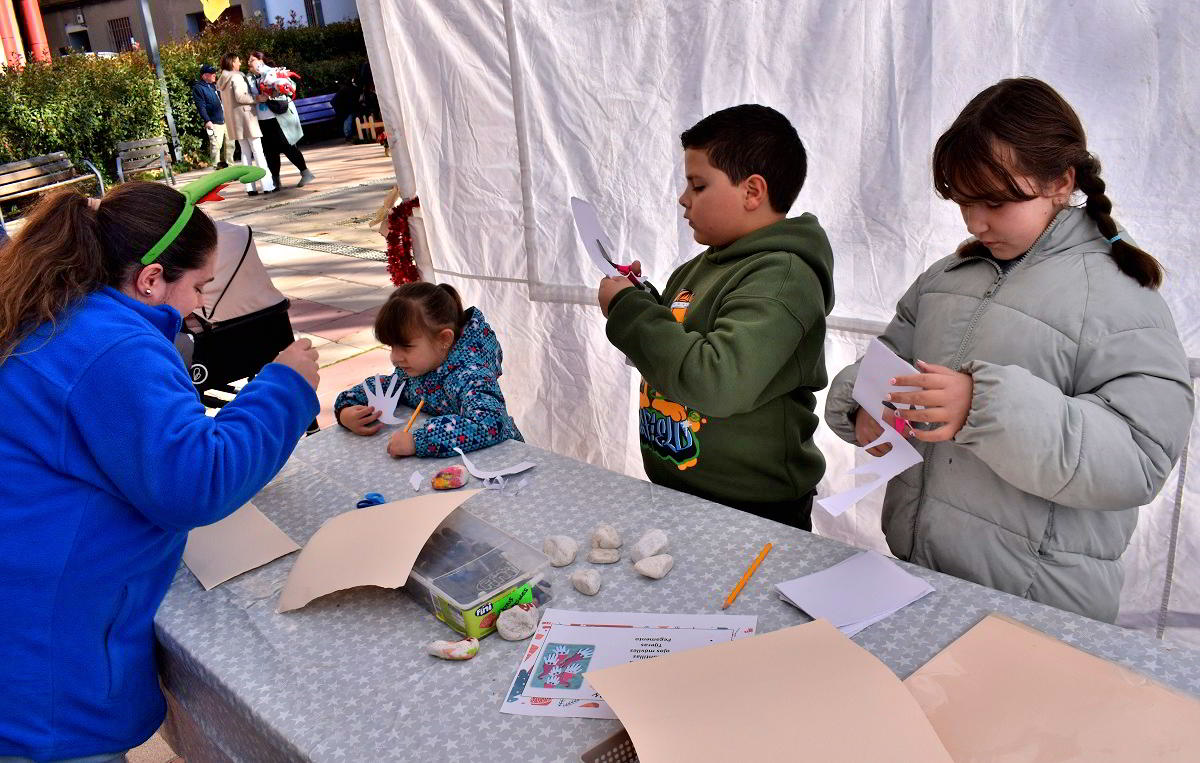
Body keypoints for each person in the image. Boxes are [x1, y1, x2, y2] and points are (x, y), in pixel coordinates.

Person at [824, 77, 1194, 623]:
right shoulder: (947, 278)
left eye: (995, 201)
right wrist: (863, 409)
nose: (975, 222)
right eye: (963, 201)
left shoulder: (1118, 297)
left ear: (1061, 182)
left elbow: (1141, 458)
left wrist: (983, 406)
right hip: (922, 576)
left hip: (1039, 608)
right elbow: (889, 360)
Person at [0, 175, 320, 760]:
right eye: (200, 285)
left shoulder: (64, 315)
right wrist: (287, 386)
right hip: (47, 663)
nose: (201, 304)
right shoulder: (114, 346)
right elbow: (195, 483)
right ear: (151, 280)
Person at [597, 104, 834, 531]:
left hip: (751, 512)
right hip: (682, 491)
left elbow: (718, 382)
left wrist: (628, 311)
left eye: (699, 185)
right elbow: (677, 342)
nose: (683, 199)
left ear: (752, 191)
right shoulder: (697, 268)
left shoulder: (782, 277)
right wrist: (644, 299)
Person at [333, 282, 523, 458]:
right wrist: (347, 409)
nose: (395, 358)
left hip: (500, 467)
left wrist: (419, 441)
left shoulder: (470, 376)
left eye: (405, 346)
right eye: (392, 346)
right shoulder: (416, 369)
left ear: (444, 340)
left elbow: (491, 423)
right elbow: (387, 386)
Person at [247, 51, 315, 190]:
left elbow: (290, 88)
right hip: (263, 120)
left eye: (252, 60)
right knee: (270, 151)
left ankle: (306, 173)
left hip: (278, 118)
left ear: (261, 61)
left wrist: (275, 90)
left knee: (288, 146)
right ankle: (275, 180)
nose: (249, 63)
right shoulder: (252, 78)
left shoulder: (274, 73)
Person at [216, 52, 274, 195]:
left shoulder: (223, 80)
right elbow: (241, 96)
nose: (240, 63)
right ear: (232, 63)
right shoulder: (236, 77)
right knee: (258, 152)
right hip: (246, 117)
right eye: (237, 61)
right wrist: (257, 98)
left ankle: (250, 188)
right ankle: (267, 185)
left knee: (245, 153)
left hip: (234, 121)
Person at [191, 63, 233, 168]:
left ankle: (231, 168)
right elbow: (201, 106)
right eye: (211, 73)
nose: (214, 75)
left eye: (214, 73)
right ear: (204, 76)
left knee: (231, 145)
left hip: (227, 119)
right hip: (214, 122)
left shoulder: (216, 85)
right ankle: (217, 169)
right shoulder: (198, 88)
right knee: (216, 147)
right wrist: (207, 120)